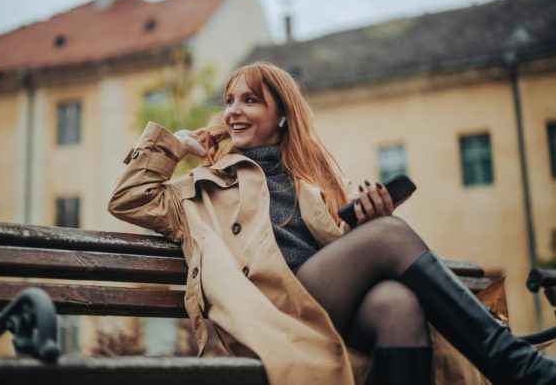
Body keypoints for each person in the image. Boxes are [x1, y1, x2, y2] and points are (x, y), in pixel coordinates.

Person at [108, 61, 556, 385]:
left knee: (397, 302)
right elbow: (128, 199)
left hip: (327, 305)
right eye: (229, 101)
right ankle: (513, 363)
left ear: (282, 114)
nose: (233, 111)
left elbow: (339, 250)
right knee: (388, 238)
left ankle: (514, 364)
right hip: (274, 311)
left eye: (250, 100)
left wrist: (368, 224)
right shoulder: (202, 188)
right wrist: (174, 145)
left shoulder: (315, 178)